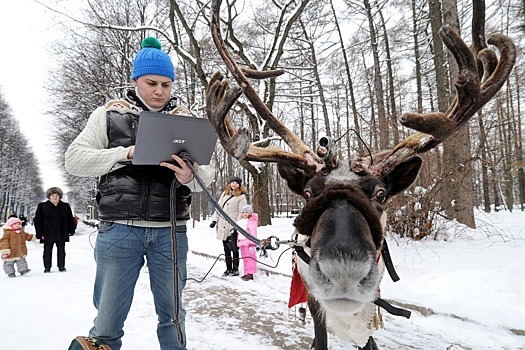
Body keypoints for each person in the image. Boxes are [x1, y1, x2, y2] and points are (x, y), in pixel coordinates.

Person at [64, 36, 214, 350]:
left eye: (166, 84)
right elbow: (74, 159)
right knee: (107, 322)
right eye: (151, 83)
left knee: (173, 318)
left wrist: (192, 176)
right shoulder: (108, 116)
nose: (159, 91)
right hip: (119, 230)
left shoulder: (186, 121)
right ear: (135, 80)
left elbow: (208, 176)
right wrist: (125, 153)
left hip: (170, 232)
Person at [210, 177, 247, 277]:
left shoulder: (241, 197)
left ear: (239, 185)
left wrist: (237, 225)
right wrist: (214, 220)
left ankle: (235, 269)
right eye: (232, 182)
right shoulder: (225, 194)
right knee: (226, 248)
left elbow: (241, 212)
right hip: (222, 225)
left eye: (236, 183)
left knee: (234, 248)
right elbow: (218, 207)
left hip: (232, 225)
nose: (234, 184)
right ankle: (228, 268)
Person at [33, 187, 76, 273]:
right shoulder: (42, 206)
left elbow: (70, 219)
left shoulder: (65, 206)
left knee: (61, 250)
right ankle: (47, 268)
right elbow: (37, 220)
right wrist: (39, 233)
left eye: (56, 195)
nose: (55, 197)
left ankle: (61, 266)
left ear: (59, 196)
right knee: (47, 250)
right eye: (53, 195)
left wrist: (71, 229)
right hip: (47, 233)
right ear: (49, 197)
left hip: (61, 232)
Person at [236, 204, 258, 281]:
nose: (244, 214)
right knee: (244, 257)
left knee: (250, 258)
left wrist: (252, 244)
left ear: (250, 213)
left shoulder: (251, 222)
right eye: (243, 212)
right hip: (242, 242)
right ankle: (246, 272)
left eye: (246, 212)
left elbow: (253, 233)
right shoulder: (241, 222)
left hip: (248, 243)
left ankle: (250, 273)